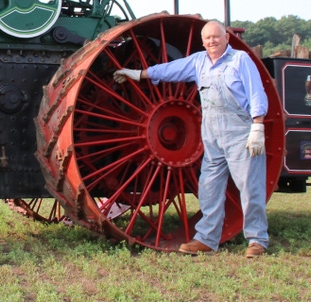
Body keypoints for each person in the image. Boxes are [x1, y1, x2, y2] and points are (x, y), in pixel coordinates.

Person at [113, 20, 269, 258]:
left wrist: (257, 126)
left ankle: (257, 240)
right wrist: (140, 74)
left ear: (226, 37)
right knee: (209, 187)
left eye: (216, 37)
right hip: (212, 134)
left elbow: (256, 92)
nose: (212, 42)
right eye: (207, 39)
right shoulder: (199, 61)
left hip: (239, 132)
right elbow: (171, 69)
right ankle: (207, 238)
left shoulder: (241, 60)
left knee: (249, 186)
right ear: (203, 41)